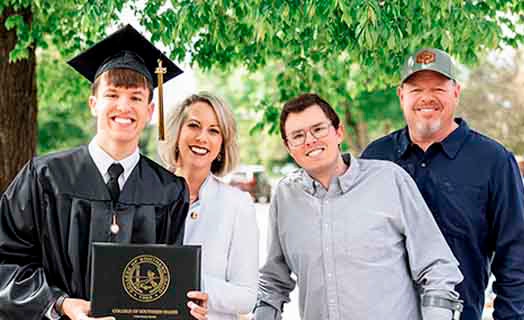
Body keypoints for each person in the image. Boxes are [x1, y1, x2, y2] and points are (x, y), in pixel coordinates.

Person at [0, 25, 208, 320]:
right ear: (94, 104)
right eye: (113, 94)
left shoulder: (168, 190)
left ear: (149, 111)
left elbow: (165, 280)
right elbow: (6, 263)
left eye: (136, 98)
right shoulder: (44, 177)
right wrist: (60, 303)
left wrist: (185, 307)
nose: (124, 106)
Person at [254, 93, 463, 320]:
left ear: (338, 132)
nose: (310, 140)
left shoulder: (389, 180)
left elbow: (437, 267)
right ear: (288, 147)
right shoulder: (285, 196)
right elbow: (273, 283)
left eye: (318, 129)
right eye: (298, 135)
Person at [361, 48, 524, 320]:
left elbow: (516, 254)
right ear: (401, 95)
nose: (427, 97)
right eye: (416, 89)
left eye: (438, 88)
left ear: (456, 92)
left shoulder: (493, 161)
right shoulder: (374, 159)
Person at [158, 93, 259, 320]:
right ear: (176, 133)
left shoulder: (237, 205)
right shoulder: (147, 196)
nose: (202, 137)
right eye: (194, 125)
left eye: (214, 131)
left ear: (222, 145)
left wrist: (187, 283)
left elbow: (246, 297)